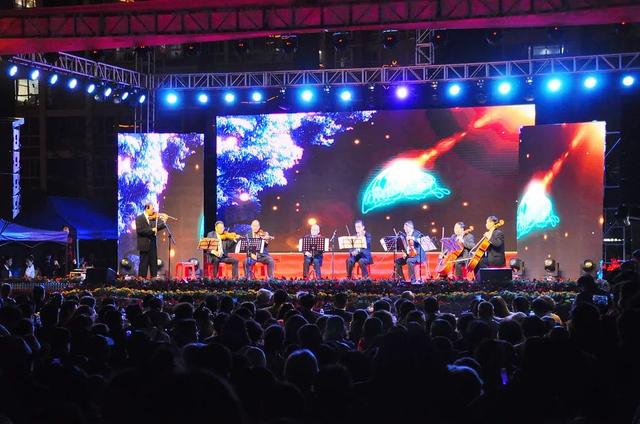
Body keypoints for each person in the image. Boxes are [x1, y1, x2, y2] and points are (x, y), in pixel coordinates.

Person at [136, 203, 168, 278]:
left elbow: (157, 228)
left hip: (152, 246)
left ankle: (154, 281)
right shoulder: (139, 218)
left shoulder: (153, 219)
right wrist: (151, 230)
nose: (153, 210)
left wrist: (164, 222)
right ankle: (141, 282)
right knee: (143, 266)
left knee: (153, 266)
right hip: (144, 245)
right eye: (152, 209)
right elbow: (140, 231)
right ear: (147, 208)